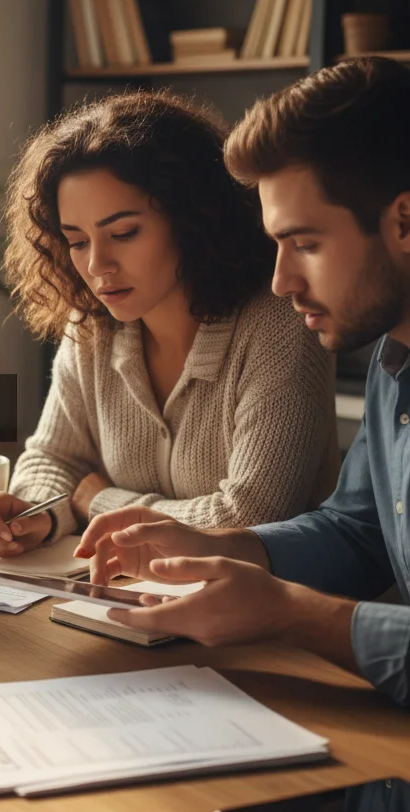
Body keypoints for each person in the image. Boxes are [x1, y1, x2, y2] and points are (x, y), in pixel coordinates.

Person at [78, 57, 410, 708]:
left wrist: (292, 613)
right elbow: (361, 529)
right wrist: (222, 546)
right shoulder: (392, 355)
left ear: (404, 222)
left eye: (305, 243)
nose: (282, 281)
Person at [0, 91, 336, 556]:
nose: (98, 265)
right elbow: (54, 457)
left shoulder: (279, 325)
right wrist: (34, 514)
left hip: (259, 613)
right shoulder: (92, 326)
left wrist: (100, 502)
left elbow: (249, 518)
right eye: (77, 242)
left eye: (124, 234)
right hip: (129, 595)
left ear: (192, 219)